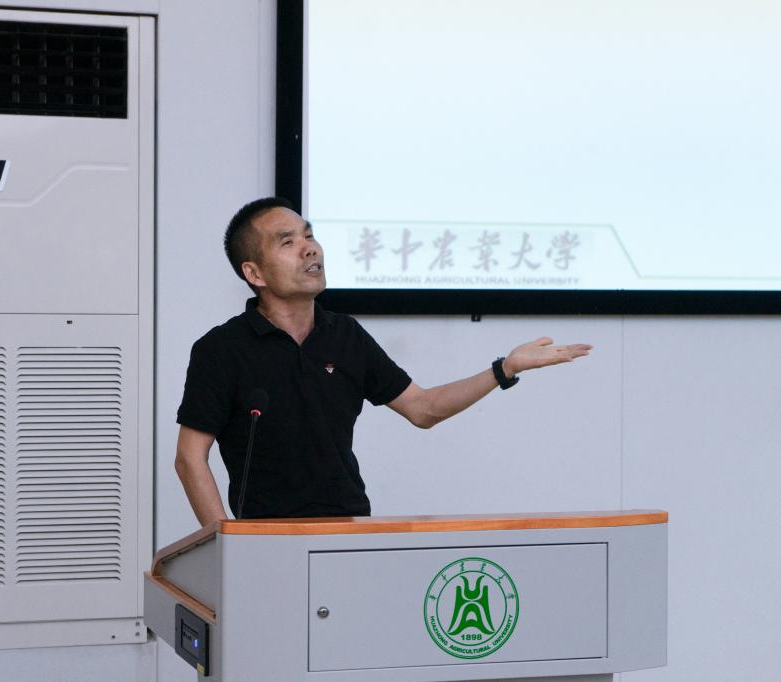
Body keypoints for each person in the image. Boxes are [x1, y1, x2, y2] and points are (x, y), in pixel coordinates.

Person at [175, 197, 592, 526]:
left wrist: (505, 369)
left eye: (309, 235)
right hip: (263, 540)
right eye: (288, 242)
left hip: (350, 528)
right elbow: (190, 458)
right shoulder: (221, 349)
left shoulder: (345, 335)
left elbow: (423, 408)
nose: (310, 248)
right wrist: (225, 545)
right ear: (255, 274)